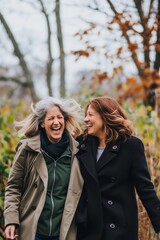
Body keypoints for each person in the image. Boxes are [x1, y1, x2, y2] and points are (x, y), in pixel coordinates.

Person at [75, 96, 160, 240]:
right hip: (88, 227)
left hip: (119, 227)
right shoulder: (81, 144)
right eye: (86, 115)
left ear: (105, 116)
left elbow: (145, 188)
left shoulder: (130, 146)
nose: (85, 120)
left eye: (90, 115)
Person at [4, 97, 84, 240]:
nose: (56, 122)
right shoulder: (27, 149)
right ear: (42, 123)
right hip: (34, 231)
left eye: (60, 117)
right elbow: (14, 187)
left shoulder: (77, 151)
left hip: (64, 232)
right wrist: (11, 220)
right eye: (51, 118)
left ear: (65, 121)